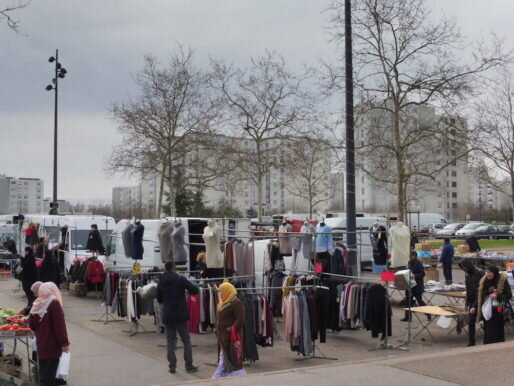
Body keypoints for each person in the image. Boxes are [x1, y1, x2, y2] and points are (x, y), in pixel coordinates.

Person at [157, 260, 199, 374]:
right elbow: (194, 290)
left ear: (165, 268)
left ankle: (172, 366)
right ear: (174, 267)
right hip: (180, 315)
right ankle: (189, 366)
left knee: (170, 341)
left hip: (168, 315)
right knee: (186, 340)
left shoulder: (161, 281)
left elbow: (159, 299)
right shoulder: (180, 279)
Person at [29, 282, 69, 386]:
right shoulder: (54, 303)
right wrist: (65, 343)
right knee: (49, 377)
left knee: (44, 376)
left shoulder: (38, 303)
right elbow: (60, 326)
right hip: (52, 346)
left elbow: (32, 325)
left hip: (41, 344)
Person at [212, 283, 246, 379]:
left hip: (232, 337)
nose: (221, 293)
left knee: (230, 358)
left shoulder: (236, 303)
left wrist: (231, 329)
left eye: (222, 292)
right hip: (222, 337)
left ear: (228, 291)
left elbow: (241, 319)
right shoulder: (222, 302)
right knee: (225, 359)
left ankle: (215, 379)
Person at [476, 265, 512, 344]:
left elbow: (509, 295)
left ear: (495, 273)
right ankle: (487, 345)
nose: (487, 274)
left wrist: (497, 296)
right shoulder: (484, 280)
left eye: (490, 272)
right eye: (486, 272)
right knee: (487, 328)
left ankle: (497, 346)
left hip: (498, 308)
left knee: (496, 328)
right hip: (486, 308)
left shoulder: (502, 280)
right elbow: (479, 295)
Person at [458, 258, 484, 346]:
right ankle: (471, 342)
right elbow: (468, 290)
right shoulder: (467, 274)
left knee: (484, 320)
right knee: (471, 321)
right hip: (472, 300)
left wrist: (474, 305)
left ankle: (489, 339)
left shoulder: (480, 272)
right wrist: (467, 303)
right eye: (462, 267)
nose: (464, 269)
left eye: (465, 267)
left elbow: (481, 291)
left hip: (481, 300)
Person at [401, 251, 429, 321]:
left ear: (414, 256)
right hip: (409, 285)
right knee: (407, 301)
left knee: (420, 301)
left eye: (411, 256)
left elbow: (422, 274)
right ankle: (407, 317)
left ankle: (428, 313)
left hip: (417, 286)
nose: (410, 257)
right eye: (409, 256)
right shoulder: (409, 262)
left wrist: (415, 276)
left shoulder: (418, 263)